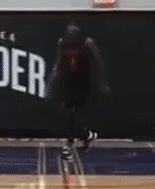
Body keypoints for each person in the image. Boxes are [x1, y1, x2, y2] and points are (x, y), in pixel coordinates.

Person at [47, 21, 110, 160]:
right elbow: (58, 64)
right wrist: (51, 83)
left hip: (83, 84)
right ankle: (86, 136)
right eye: (69, 32)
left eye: (73, 32)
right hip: (68, 83)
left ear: (78, 32)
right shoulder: (62, 43)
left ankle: (70, 145)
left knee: (74, 115)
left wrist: (102, 82)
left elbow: (98, 63)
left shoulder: (87, 44)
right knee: (68, 115)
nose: (71, 34)